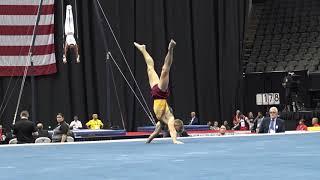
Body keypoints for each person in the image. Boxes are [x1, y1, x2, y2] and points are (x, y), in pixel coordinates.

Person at [134, 39, 183, 144]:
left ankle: (143, 49)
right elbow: (172, 130)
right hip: (161, 93)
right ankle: (170, 49)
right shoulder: (170, 118)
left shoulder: (160, 123)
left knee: (150, 68)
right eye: (175, 126)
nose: (173, 126)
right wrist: (175, 140)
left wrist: (147, 141)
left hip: (155, 92)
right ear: (175, 124)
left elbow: (155, 133)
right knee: (165, 70)